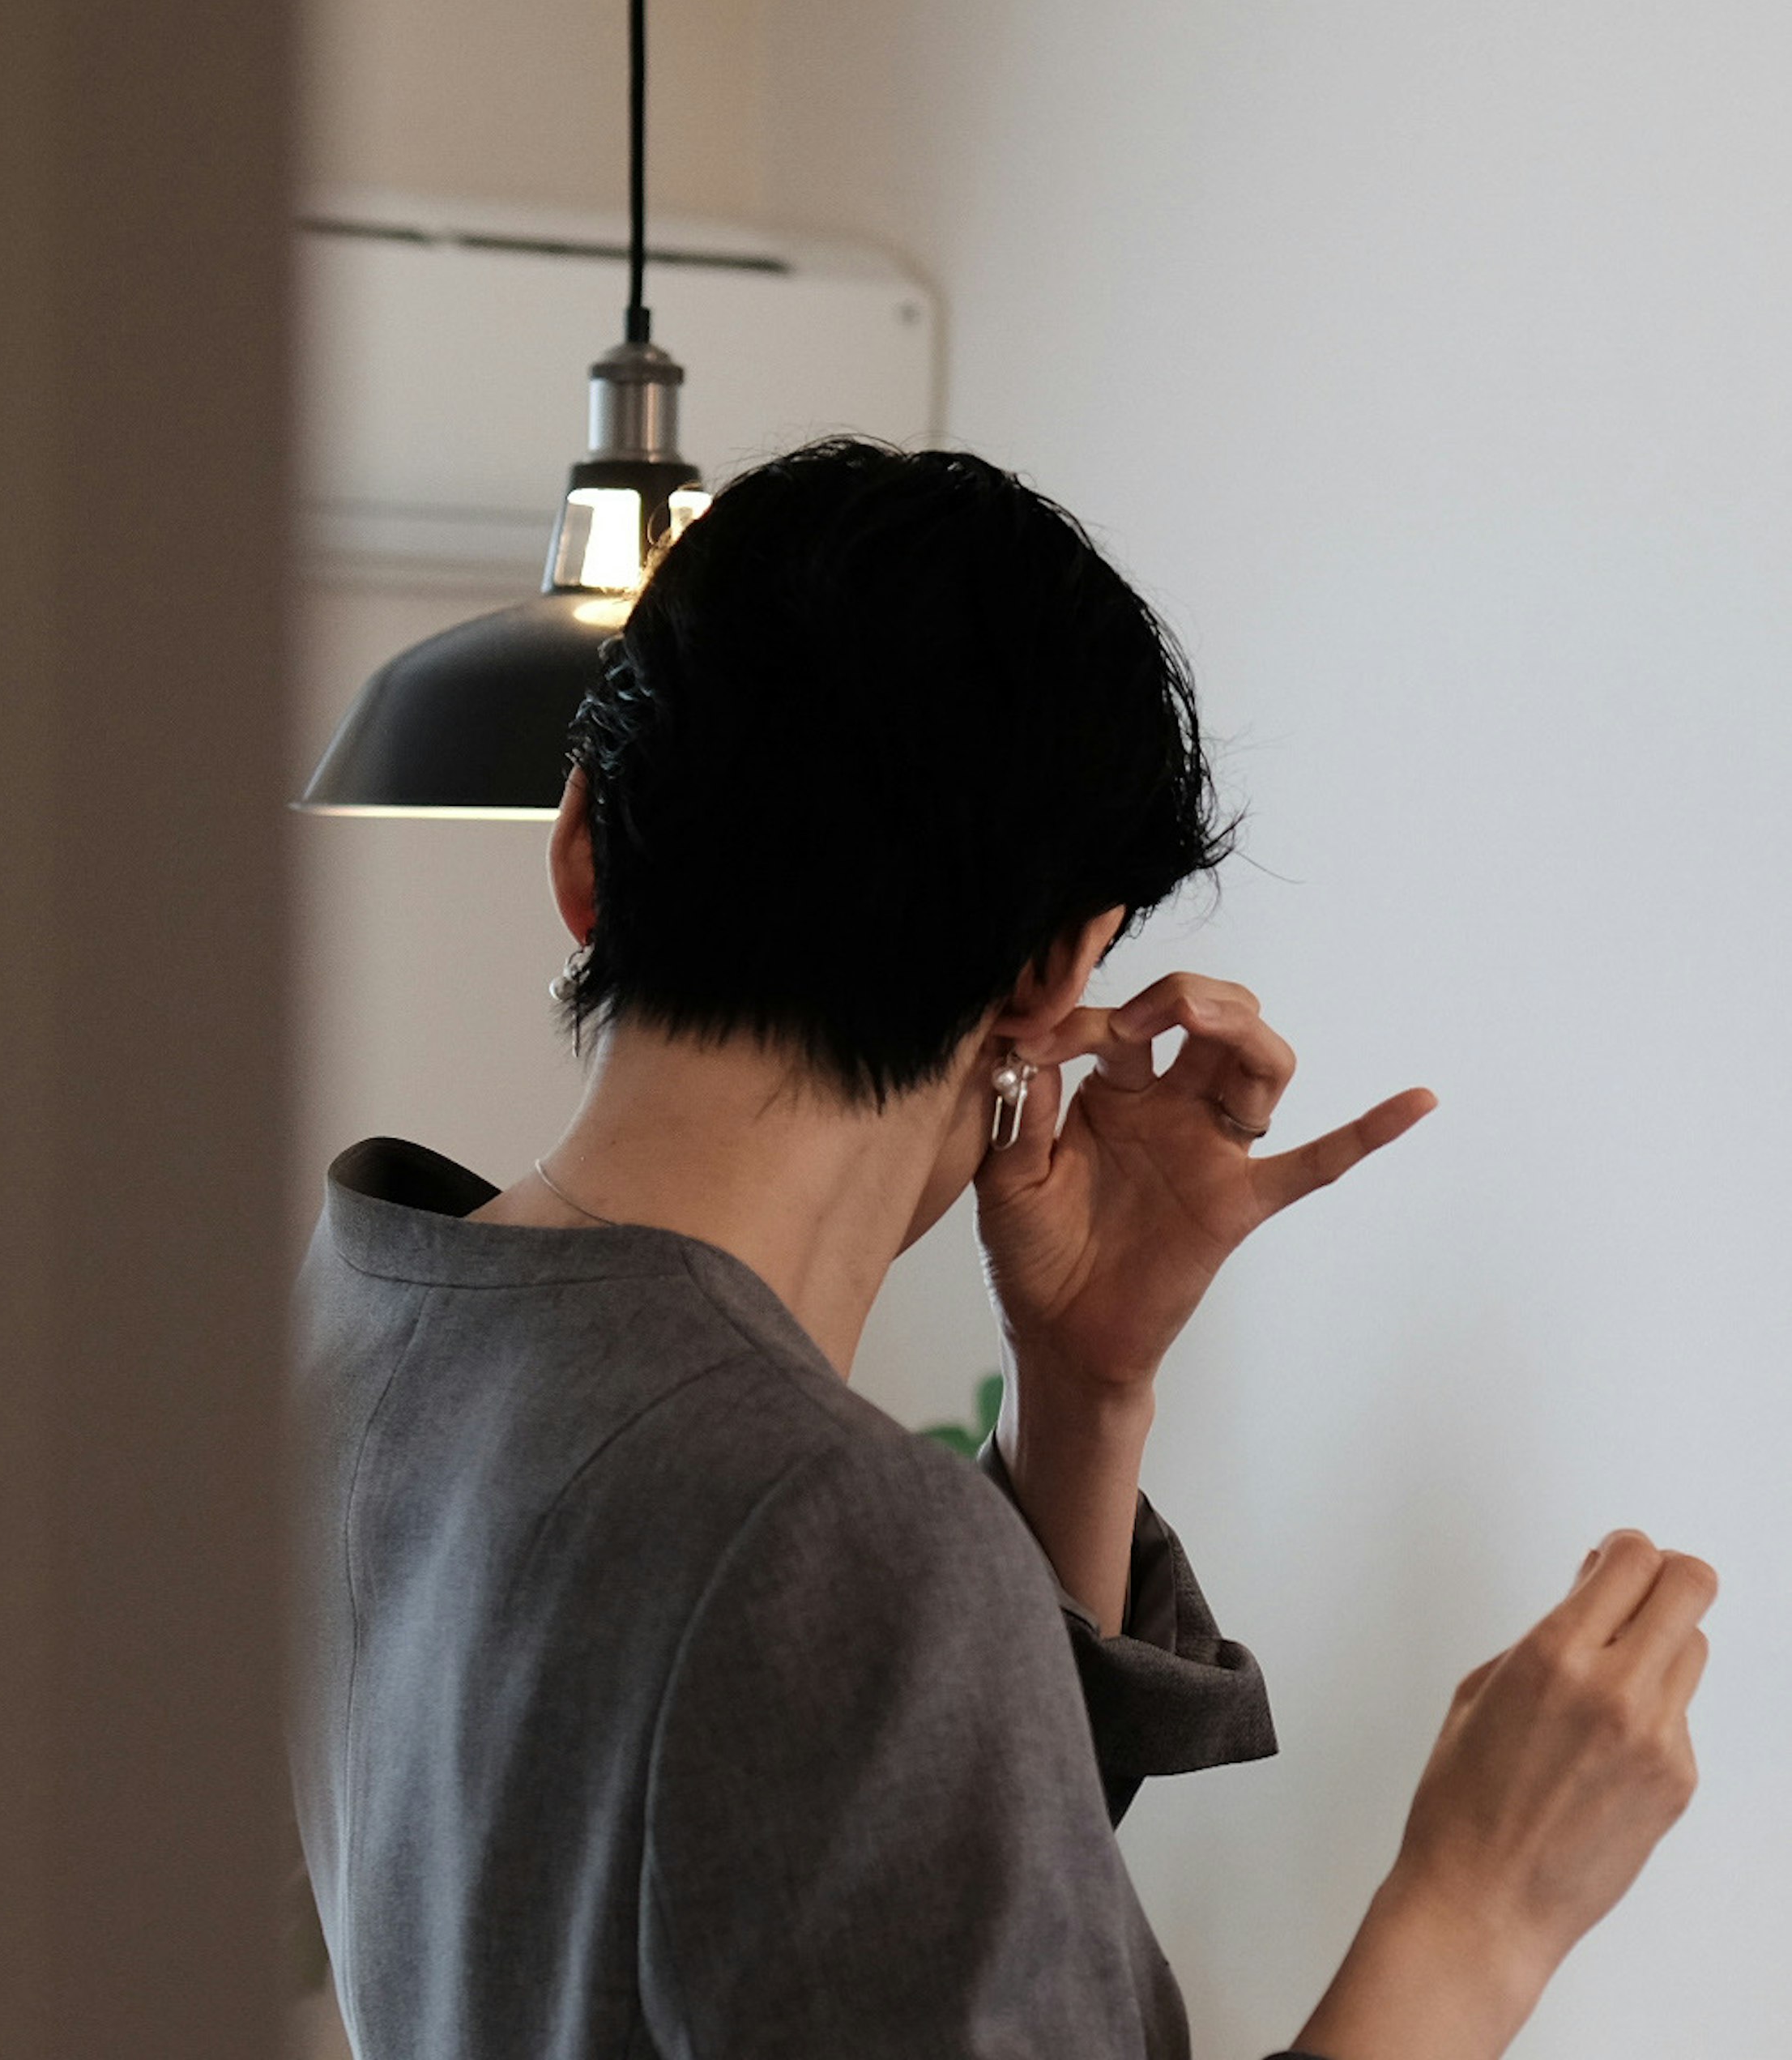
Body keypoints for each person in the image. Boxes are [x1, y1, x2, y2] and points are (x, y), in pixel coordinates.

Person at [289, 440, 1713, 2060]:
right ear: (1049, 971)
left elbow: (872, 1898)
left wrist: (1085, 1384)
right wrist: (1482, 1907)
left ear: (581, 857)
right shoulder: (810, 1514)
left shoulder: (369, 1303)